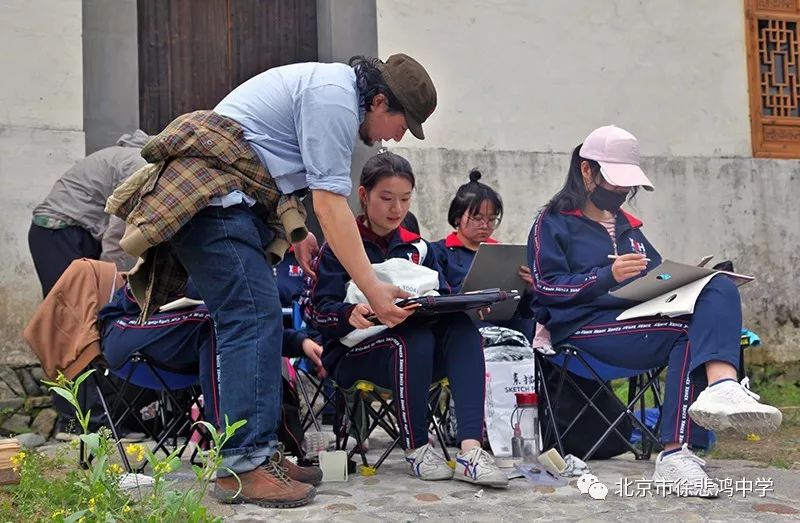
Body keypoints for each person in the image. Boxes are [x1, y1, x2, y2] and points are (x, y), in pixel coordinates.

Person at [106, 54, 437, 508]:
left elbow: (275, 162)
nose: (397, 137)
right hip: (215, 200)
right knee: (252, 319)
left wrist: (295, 234)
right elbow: (330, 204)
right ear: (379, 100)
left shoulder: (331, 89)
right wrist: (375, 290)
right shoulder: (336, 100)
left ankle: (259, 455)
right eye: (402, 122)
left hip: (231, 201)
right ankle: (242, 466)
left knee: (255, 321)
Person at [527, 125, 782, 497]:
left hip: (636, 322)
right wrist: (604, 277)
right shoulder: (552, 222)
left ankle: (721, 388)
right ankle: (675, 453)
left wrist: (678, 281)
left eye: (627, 185)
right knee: (685, 331)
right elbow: (546, 287)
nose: (621, 192)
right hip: (581, 331)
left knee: (718, 285)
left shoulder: (630, 229)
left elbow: (656, 271)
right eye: (614, 182)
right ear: (587, 171)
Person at [305, 152, 508, 487]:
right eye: (386, 198)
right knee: (413, 337)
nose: (396, 208)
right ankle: (416, 448)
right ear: (364, 196)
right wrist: (348, 314)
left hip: (418, 351)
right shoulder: (339, 247)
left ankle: (471, 450)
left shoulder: (419, 248)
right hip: (355, 356)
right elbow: (315, 311)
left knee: (459, 327)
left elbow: (441, 296)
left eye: (404, 199)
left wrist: (465, 305)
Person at [98, 281, 324, 485]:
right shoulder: (196, 243)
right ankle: (226, 447)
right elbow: (132, 296)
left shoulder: (243, 257)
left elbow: (249, 323)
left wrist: (300, 342)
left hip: (181, 342)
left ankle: (261, 451)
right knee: (212, 321)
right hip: (124, 330)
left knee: (243, 326)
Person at [29, 130, 148, 297]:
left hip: (75, 232)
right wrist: (111, 289)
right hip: (58, 231)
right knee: (71, 309)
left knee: (82, 308)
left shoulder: (133, 158)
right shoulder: (141, 166)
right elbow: (116, 235)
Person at [431, 169, 534, 339]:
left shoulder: (504, 254)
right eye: (477, 218)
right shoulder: (439, 252)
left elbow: (522, 308)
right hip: (463, 325)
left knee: (534, 330)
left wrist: (529, 290)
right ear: (457, 217)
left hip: (505, 321)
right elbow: (439, 299)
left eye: (492, 219)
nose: (485, 225)